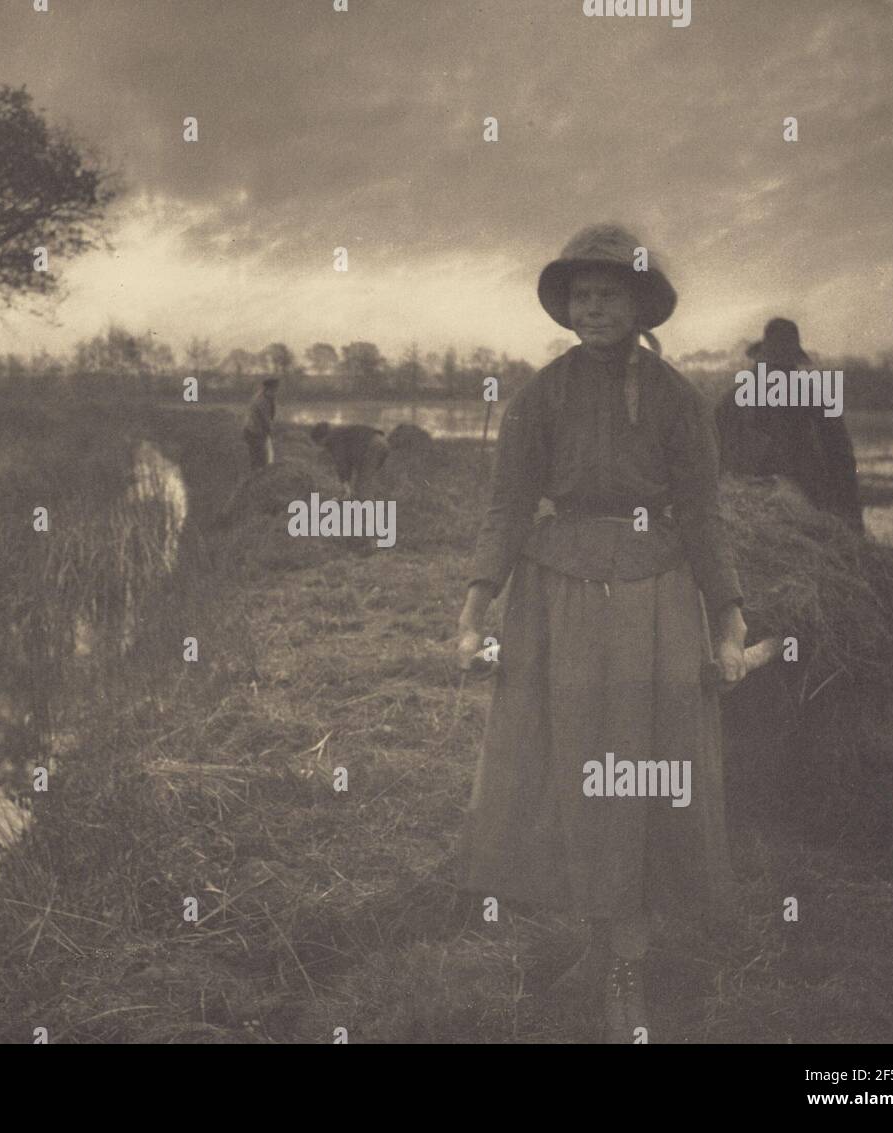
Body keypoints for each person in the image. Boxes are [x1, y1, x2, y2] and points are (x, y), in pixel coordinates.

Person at [455, 223, 749, 1043]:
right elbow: (508, 506)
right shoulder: (540, 396)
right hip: (556, 602)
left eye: (609, 295)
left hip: (655, 600)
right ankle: (597, 941)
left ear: (639, 303)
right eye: (582, 295)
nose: (594, 308)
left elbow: (703, 515)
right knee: (574, 772)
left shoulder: (679, 401)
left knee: (643, 773)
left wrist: (728, 623)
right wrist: (474, 608)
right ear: (566, 305)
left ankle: (630, 965)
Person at [715, 318, 864, 531]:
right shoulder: (734, 402)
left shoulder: (814, 401)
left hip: (791, 508)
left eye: (781, 367)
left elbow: (842, 461)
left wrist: (851, 520)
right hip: (755, 508)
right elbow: (713, 456)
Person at [309, 421, 389, 498]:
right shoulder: (340, 432)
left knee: (362, 486)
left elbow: (341, 462)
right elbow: (348, 462)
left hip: (373, 446)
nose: (321, 446)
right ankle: (366, 505)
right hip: (381, 442)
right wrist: (347, 483)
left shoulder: (333, 438)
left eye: (318, 443)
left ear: (322, 438)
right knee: (364, 481)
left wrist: (345, 485)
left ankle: (369, 510)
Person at [243, 377, 279, 470]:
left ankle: (259, 476)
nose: (275, 393)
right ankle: (258, 478)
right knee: (260, 459)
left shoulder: (267, 398)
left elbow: (270, 416)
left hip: (257, 431)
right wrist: (272, 432)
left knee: (260, 457)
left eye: (276, 390)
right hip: (254, 432)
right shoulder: (261, 401)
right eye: (273, 390)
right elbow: (266, 420)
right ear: (267, 389)